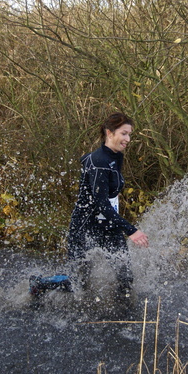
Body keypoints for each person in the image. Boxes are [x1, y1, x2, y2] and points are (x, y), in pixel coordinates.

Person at [67, 112, 149, 297]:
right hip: (85, 227)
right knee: (78, 283)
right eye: (124, 133)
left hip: (108, 225)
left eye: (129, 134)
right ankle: (40, 285)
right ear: (109, 132)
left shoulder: (115, 156)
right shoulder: (100, 162)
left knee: (125, 278)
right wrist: (132, 231)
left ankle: (124, 320)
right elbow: (102, 204)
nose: (128, 139)